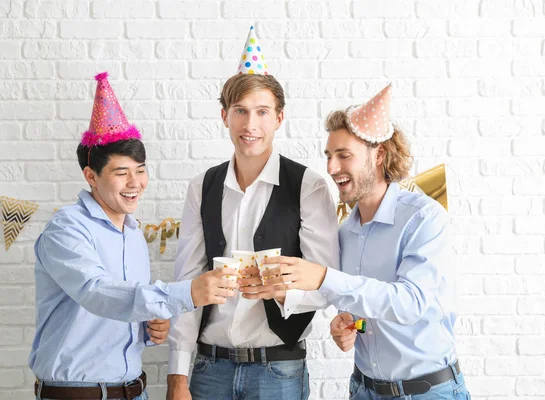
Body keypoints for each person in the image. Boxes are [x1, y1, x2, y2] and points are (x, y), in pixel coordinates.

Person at [29, 72, 236, 400]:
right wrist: (188, 293)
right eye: (121, 173)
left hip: (133, 391)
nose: (135, 182)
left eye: (140, 171)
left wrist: (151, 328)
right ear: (91, 176)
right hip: (76, 394)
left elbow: (124, 307)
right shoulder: (67, 229)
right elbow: (96, 293)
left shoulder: (134, 235)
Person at [261, 84, 471, 399]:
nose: (331, 168)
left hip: (426, 392)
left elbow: (411, 304)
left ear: (379, 155)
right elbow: (359, 303)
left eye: (344, 156)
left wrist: (323, 276)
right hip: (363, 389)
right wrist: (347, 322)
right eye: (329, 156)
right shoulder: (345, 232)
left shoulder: (424, 218)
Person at [167, 26, 339, 400]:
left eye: (262, 112)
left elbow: (327, 281)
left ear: (279, 118)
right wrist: (178, 375)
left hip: (278, 370)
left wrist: (281, 293)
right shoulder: (202, 186)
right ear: (224, 115)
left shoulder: (308, 185)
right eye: (240, 112)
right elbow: (187, 280)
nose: (250, 125)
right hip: (209, 367)